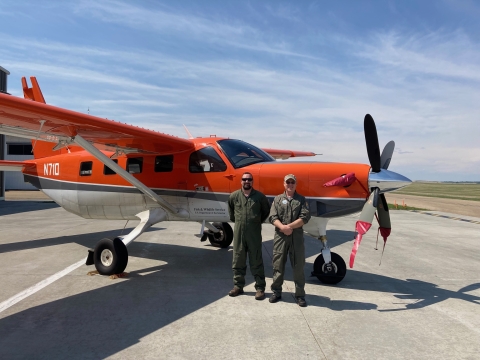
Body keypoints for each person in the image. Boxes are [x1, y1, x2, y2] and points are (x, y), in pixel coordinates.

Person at [269, 174, 311, 307]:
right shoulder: (278, 199)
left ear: (296, 184)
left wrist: (289, 227)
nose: (290, 185)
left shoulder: (301, 200)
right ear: (284, 184)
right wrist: (283, 227)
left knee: (298, 266)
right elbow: (272, 216)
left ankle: (300, 295)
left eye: (292, 182)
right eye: (288, 182)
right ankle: (276, 292)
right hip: (281, 237)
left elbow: (305, 217)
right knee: (278, 265)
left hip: (296, 237)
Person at [228, 172, 270, 300]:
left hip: (254, 234)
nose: (247, 181)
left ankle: (260, 288)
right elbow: (232, 215)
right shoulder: (234, 196)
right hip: (239, 233)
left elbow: (265, 212)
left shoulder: (260, 197)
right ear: (241, 181)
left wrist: (255, 222)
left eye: (249, 179)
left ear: (252, 181)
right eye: (244, 179)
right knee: (238, 259)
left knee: (256, 260)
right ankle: (238, 286)